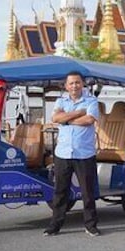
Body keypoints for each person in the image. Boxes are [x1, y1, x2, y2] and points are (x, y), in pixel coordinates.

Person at [44, 71, 102, 237]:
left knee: (87, 192)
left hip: (84, 153)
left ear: (82, 83)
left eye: (77, 82)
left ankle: (91, 225)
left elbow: (89, 120)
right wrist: (77, 114)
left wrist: (66, 119)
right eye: (71, 83)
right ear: (66, 86)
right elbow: (55, 118)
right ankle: (55, 226)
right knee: (60, 192)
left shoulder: (91, 101)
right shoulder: (60, 101)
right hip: (63, 153)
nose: (74, 86)